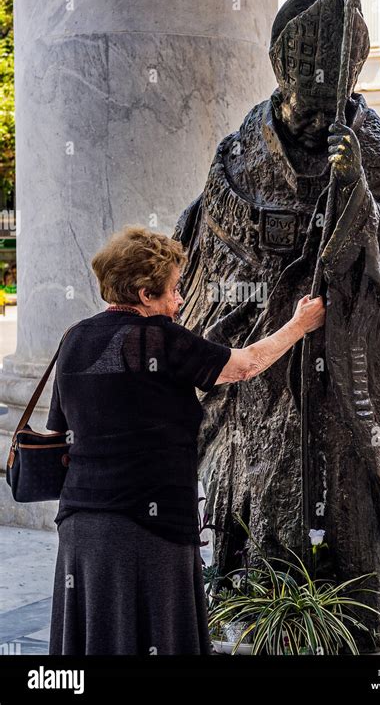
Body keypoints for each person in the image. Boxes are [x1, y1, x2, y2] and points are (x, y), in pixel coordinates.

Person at [47, 224, 325, 655]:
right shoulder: (158, 337)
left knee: (97, 637)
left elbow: (61, 428)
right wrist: (299, 325)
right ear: (145, 294)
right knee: (160, 633)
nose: (179, 301)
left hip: (81, 526)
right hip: (148, 526)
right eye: (174, 290)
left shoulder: (74, 338)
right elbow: (246, 365)